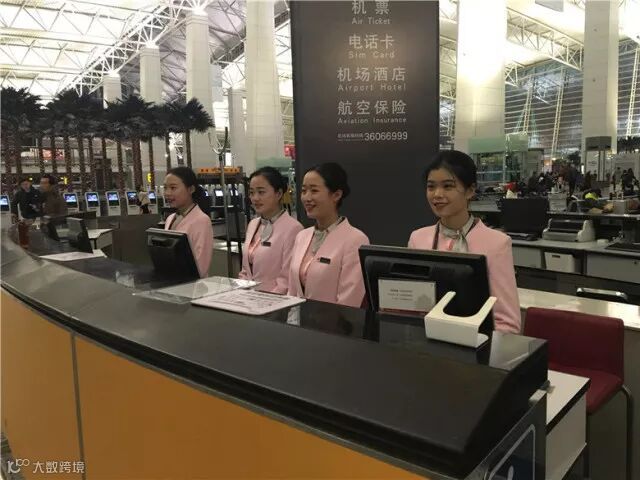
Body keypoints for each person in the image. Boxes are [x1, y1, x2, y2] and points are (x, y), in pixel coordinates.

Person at [407, 150, 521, 334]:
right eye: (431, 187)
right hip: (426, 342)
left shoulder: (497, 244)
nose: (437, 194)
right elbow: (411, 307)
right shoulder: (418, 239)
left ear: (470, 190)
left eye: (448, 186)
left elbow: (507, 323)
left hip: (476, 345)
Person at [288, 163, 369, 308]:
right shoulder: (302, 236)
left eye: (314, 190)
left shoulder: (355, 240)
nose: (307, 198)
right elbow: (292, 291)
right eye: (304, 191)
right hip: (298, 320)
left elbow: (349, 302)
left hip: (334, 321)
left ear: (336, 195)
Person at [239, 167, 303, 293]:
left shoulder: (293, 229)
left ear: (278, 194)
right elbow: (245, 270)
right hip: (248, 299)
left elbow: (287, 279)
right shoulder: (253, 224)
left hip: (276, 300)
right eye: (251, 192)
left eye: (261, 192)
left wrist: (268, 300)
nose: (255, 198)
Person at [163, 167, 213, 278]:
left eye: (173, 188)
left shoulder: (202, 221)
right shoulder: (170, 219)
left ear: (191, 189)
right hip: (170, 282)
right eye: (165, 188)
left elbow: (201, 267)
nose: (167, 193)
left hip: (192, 285)